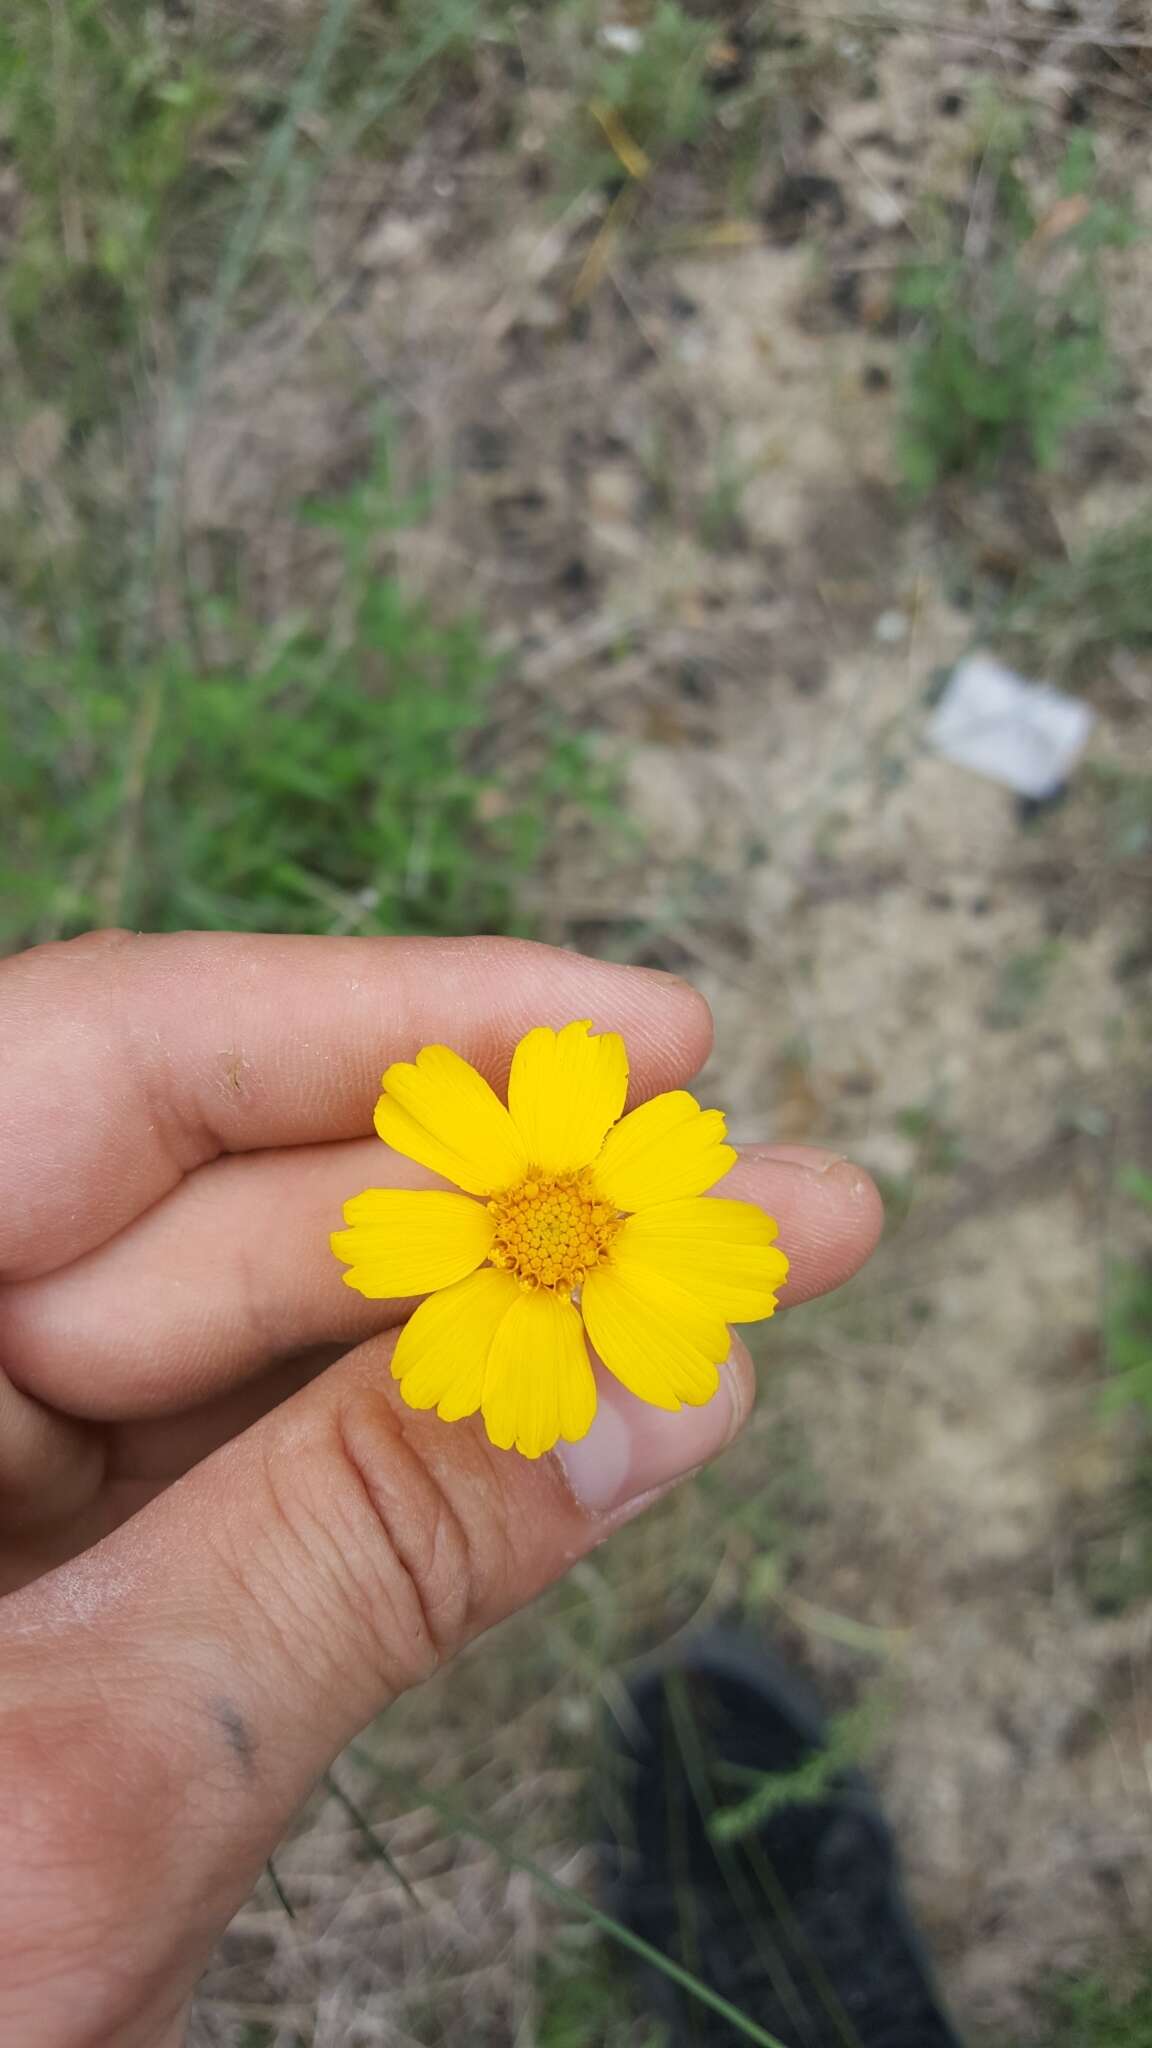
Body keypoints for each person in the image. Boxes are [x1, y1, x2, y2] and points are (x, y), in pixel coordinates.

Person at [0, 930, 883, 2048]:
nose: (558, 1225)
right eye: (546, 1216)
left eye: (569, 1215)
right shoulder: (473, 1228)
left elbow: (682, 1179)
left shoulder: (626, 1219)